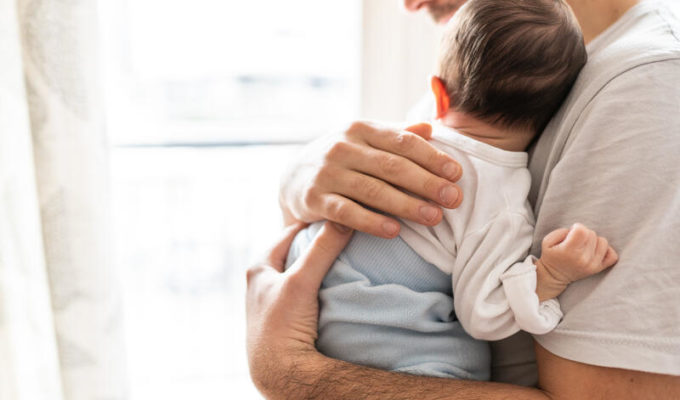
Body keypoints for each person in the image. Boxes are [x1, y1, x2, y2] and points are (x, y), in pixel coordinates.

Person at [247, 0, 680, 398]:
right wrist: (298, 181)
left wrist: (290, 373)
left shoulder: (649, 88)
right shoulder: (506, 79)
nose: (409, 5)